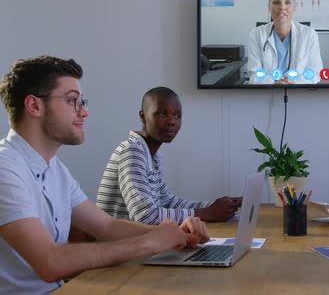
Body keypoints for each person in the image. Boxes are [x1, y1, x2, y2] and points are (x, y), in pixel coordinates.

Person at [0, 56, 209, 294]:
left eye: (82, 101)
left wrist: (176, 233)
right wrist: (150, 242)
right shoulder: (5, 168)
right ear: (35, 106)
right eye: (72, 101)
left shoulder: (54, 168)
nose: (84, 112)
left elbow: (106, 226)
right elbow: (50, 262)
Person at [97, 87, 242, 224]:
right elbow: (145, 216)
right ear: (143, 116)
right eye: (162, 113)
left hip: (138, 242)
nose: (172, 121)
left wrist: (219, 206)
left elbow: (167, 202)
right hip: (120, 245)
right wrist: (207, 213)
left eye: (177, 116)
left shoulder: (151, 155)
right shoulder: (132, 151)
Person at [247, 0, 323, 84]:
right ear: (269, 6)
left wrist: (295, 82)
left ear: (294, 6)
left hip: (298, 93)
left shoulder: (309, 35)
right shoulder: (256, 35)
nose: (282, 7)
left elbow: (315, 73)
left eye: (287, 2)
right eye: (276, 2)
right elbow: (254, 75)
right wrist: (274, 82)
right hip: (266, 93)